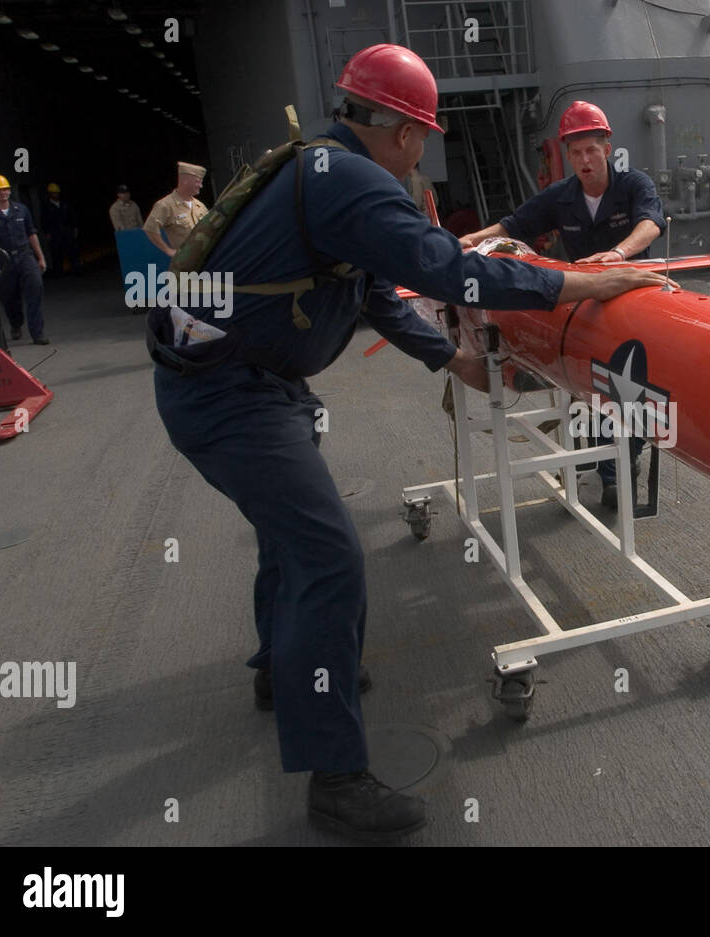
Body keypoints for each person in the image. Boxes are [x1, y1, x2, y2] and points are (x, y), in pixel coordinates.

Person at [147, 44, 674, 843]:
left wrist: (453, 356)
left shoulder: (319, 170)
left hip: (244, 382)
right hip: (228, 394)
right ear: (397, 130)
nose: (421, 148)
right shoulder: (354, 181)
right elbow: (445, 270)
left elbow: (374, 293)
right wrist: (583, 284)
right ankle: (336, 780)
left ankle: (284, 670)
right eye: (420, 133)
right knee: (327, 553)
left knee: (291, 534)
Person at [459, 101, 666, 507]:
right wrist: (466, 242)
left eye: (591, 150)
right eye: (575, 152)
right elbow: (512, 226)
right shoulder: (562, 196)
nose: (584, 160)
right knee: (593, 386)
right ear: (567, 156)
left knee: (629, 387)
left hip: (631, 301)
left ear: (608, 149)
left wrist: (619, 254)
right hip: (586, 305)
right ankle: (605, 467)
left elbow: (651, 222)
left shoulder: (633, 186)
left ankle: (622, 463)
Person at [0, 174, 49, 344]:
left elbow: (31, 233)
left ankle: (37, 333)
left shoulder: (21, 209)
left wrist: (40, 257)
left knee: (35, 287)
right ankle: (16, 323)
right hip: (2, 258)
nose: (3, 193)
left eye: (6, 189)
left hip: (25, 255)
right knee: (8, 295)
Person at [144, 162, 208, 257]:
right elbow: (150, 228)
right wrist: (168, 250)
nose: (201, 186)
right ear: (185, 181)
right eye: (197, 181)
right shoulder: (165, 205)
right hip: (185, 261)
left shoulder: (200, 206)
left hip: (205, 259)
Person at [41, 182, 82, 275]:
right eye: (54, 193)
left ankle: (76, 269)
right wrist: (47, 233)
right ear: (50, 194)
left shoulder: (65, 204)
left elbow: (72, 216)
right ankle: (59, 272)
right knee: (57, 252)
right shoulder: (47, 206)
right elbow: (44, 220)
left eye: (57, 193)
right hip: (55, 233)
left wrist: (74, 228)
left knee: (72, 250)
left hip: (67, 231)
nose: (56, 195)